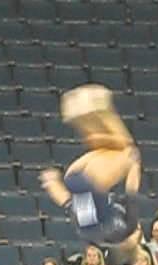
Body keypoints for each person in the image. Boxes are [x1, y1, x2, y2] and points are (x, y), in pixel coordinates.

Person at [40, 84, 143, 256]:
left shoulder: (128, 229)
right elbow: (66, 202)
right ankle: (81, 117)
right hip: (73, 177)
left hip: (92, 183)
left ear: (132, 242)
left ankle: (102, 109)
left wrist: (135, 166)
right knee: (110, 146)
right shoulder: (89, 234)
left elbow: (131, 190)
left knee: (128, 149)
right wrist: (52, 183)